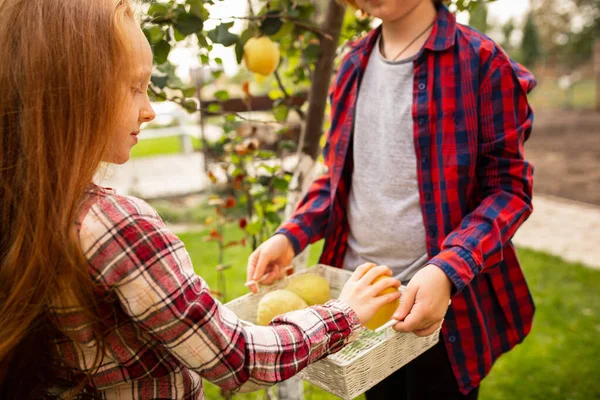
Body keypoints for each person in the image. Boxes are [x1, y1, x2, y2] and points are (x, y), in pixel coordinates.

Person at [0, 0, 403, 398]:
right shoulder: (116, 226)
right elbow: (239, 360)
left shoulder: (26, 206)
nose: (150, 110)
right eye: (134, 88)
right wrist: (345, 313)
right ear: (74, 95)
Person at [246, 0, 537, 399]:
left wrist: (447, 270)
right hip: (361, 302)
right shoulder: (352, 65)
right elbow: (338, 175)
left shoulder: (481, 62)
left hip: (438, 308)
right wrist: (291, 235)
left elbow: (508, 190)